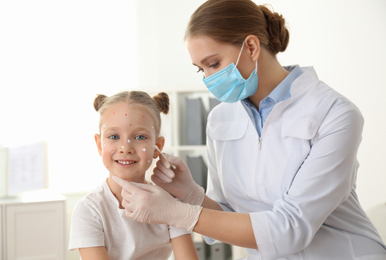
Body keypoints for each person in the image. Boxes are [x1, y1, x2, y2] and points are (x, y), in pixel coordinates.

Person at [112, 0, 386, 259]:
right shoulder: (221, 118)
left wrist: (176, 213)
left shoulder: (334, 113)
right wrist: (191, 195)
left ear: (252, 47)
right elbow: (231, 214)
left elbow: (292, 227)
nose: (209, 79)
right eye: (201, 70)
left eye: (214, 64)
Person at [68, 91, 198, 259]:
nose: (125, 147)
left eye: (139, 137)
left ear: (157, 147)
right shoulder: (89, 210)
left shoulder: (170, 204)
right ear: (99, 145)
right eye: (114, 136)